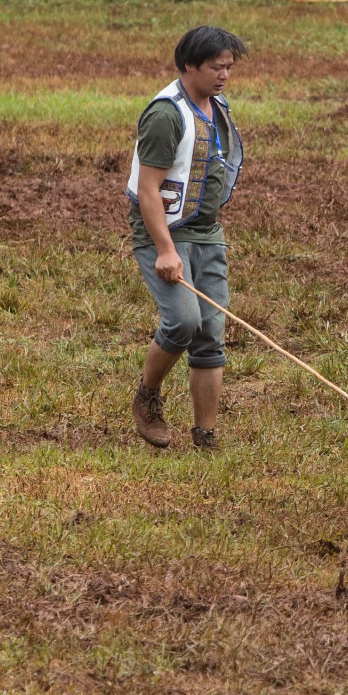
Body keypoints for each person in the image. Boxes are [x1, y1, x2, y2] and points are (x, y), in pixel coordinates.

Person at [127, 26, 248, 451]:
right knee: (183, 320)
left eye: (228, 67)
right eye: (216, 67)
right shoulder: (165, 115)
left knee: (210, 331)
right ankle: (147, 396)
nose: (224, 75)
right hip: (164, 230)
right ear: (189, 65)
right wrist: (164, 250)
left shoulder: (219, 107)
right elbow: (147, 189)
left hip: (206, 231)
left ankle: (206, 436)